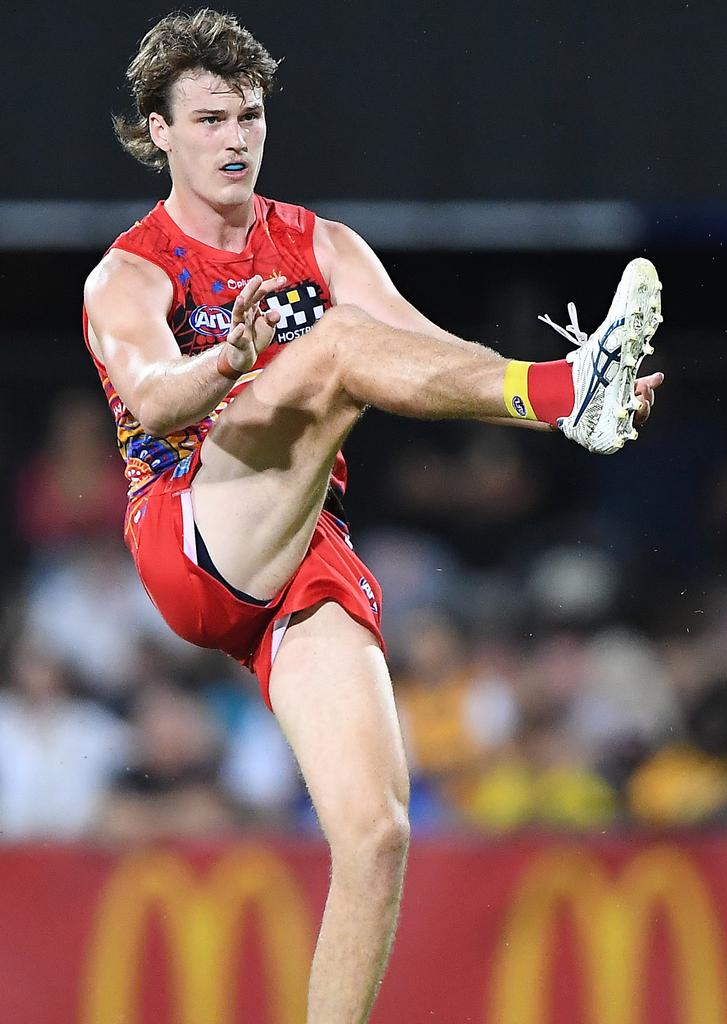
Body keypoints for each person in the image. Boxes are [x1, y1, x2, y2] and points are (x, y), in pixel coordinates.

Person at [83, 9, 664, 1022]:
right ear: (159, 132)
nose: (235, 137)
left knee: (378, 833)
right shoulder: (128, 271)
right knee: (341, 343)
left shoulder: (320, 242)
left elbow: (438, 360)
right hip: (190, 531)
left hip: (300, 550)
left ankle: (576, 394)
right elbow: (152, 395)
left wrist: (554, 396)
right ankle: (574, 393)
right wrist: (228, 357)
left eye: (250, 115)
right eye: (210, 117)